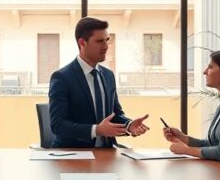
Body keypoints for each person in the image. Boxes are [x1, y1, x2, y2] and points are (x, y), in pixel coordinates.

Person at [48, 17, 149, 148]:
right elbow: (58, 125)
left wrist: (129, 125)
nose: (106, 46)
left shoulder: (108, 75)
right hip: (74, 155)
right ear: (82, 42)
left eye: (107, 40)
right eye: (100, 41)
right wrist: (97, 130)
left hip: (107, 153)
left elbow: (115, 114)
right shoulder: (62, 77)